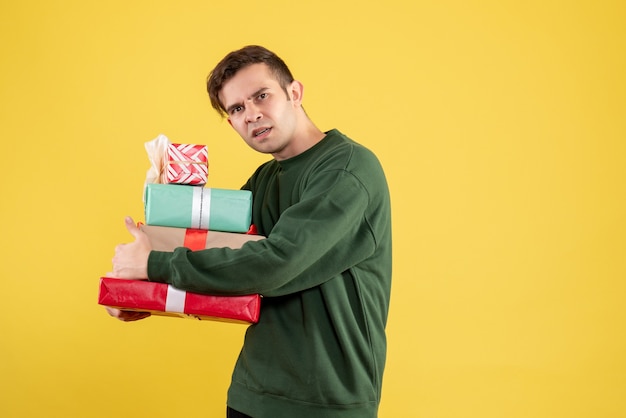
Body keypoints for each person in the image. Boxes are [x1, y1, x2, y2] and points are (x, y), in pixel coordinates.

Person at [107, 45, 392, 418]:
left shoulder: (346, 171)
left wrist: (154, 266)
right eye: (237, 109)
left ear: (294, 93)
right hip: (252, 394)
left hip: (325, 402)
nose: (252, 114)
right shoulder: (265, 179)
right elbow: (222, 254)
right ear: (231, 123)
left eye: (261, 96)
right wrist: (138, 294)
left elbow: (274, 264)